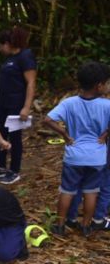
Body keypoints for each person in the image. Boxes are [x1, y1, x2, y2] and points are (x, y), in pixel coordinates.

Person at [42, 61, 110, 237]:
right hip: (97, 156)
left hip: (74, 156)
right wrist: (105, 134)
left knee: (67, 190)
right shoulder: (106, 105)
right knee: (91, 192)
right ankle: (86, 225)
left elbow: (47, 120)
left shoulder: (69, 103)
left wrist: (64, 134)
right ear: (99, 85)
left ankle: (60, 224)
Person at [0, 27, 37, 185]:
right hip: (4, 103)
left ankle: (14, 170)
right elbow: (11, 80)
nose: (0, 49)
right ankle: (0, 166)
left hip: (17, 104)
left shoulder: (25, 56)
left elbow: (30, 83)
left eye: (1, 46)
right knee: (0, 134)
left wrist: (26, 107)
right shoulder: (9, 59)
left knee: (15, 137)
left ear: (8, 43)